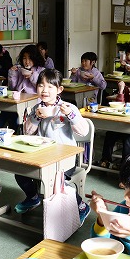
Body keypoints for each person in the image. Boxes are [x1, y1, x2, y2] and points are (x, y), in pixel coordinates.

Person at [14, 69, 91, 224]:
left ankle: (82, 206)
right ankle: (33, 197)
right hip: (42, 154)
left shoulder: (68, 107)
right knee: (19, 171)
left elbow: (83, 132)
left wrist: (71, 115)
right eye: (41, 86)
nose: (45, 90)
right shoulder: (37, 109)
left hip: (66, 158)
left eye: (50, 87)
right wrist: (36, 117)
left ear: (59, 90)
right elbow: (28, 131)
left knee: (57, 179)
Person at [0, 45, 45, 131]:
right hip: (17, 102)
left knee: (17, 121)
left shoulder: (41, 71)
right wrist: (12, 73)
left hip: (33, 105)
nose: (27, 62)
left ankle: (17, 131)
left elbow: (41, 87)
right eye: (24, 58)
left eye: (30, 58)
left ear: (36, 58)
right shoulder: (20, 70)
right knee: (4, 115)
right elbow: (12, 87)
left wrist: (32, 76)